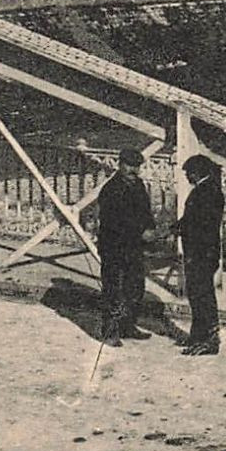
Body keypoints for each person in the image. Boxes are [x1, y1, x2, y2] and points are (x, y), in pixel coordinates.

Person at [95, 148, 157, 346]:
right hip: (114, 247)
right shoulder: (111, 189)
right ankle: (110, 332)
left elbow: (146, 211)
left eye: (137, 166)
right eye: (130, 165)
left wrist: (150, 228)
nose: (134, 170)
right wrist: (140, 231)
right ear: (120, 164)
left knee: (135, 288)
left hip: (133, 248)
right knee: (114, 289)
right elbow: (115, 221)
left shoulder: (138, 185)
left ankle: (128, 326)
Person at [172, 154, 226, 356]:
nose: (186, 177)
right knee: (197, 295)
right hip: (202, 252)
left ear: (196, 173)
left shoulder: (206, 193)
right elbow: (190, 220)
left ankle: (209, 341)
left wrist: (175, 230)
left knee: (202, 296)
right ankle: (198, 336)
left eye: (188, 174)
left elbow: (196, 224)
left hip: (200, 253)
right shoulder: (208, 190)